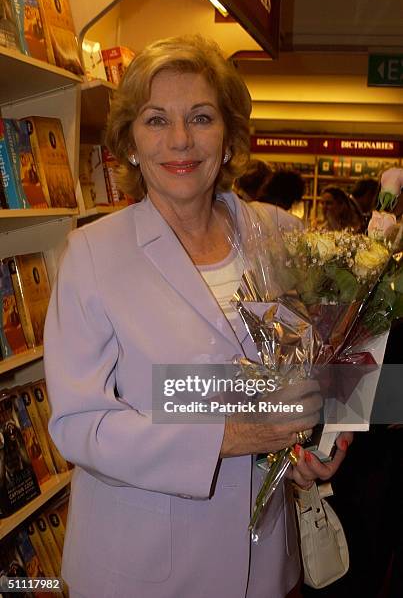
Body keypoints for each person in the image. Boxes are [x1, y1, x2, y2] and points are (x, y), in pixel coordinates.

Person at [43, 35, 352, 598]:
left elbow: (335, 363)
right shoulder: (92, 254)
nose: (180, 140)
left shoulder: (280, 233)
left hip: (264, 560)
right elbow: (78, 425)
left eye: (201, 117)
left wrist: (328, 438)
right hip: (144, 568)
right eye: (156, 120)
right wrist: (230, 435)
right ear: (130, 143)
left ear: (230, 137)